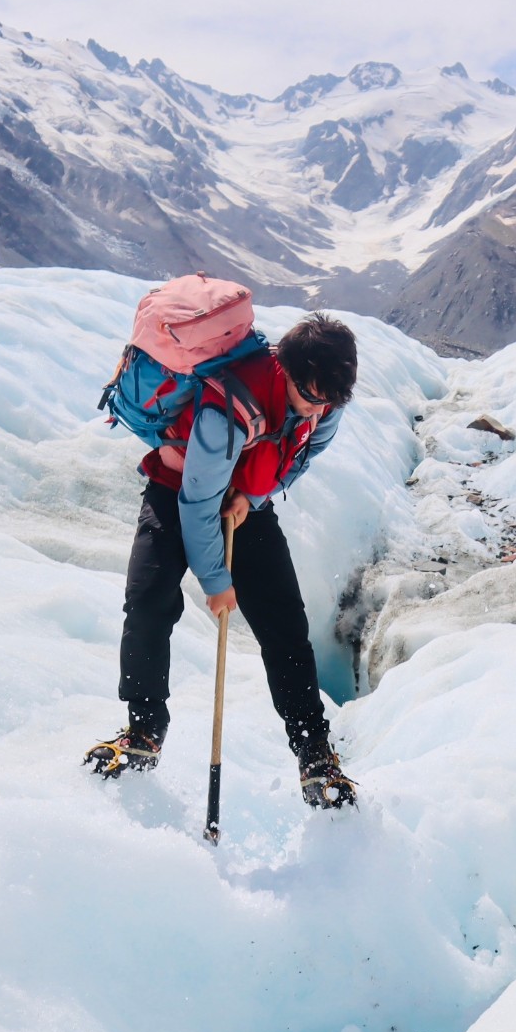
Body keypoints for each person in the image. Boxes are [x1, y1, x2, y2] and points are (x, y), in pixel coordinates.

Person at [85, 311, 360, 809]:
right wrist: (216, 581)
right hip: (178, 491)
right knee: (147, 603)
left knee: (284, 628)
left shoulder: (325, 398)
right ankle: (144, 730)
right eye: (312, 396)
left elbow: (305, 453)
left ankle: (314, 754)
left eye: (331, 401)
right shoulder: (232, 406)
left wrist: (253, 500)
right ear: (287, 372)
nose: (320, 409)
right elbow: (195, 503)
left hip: (241, 502)